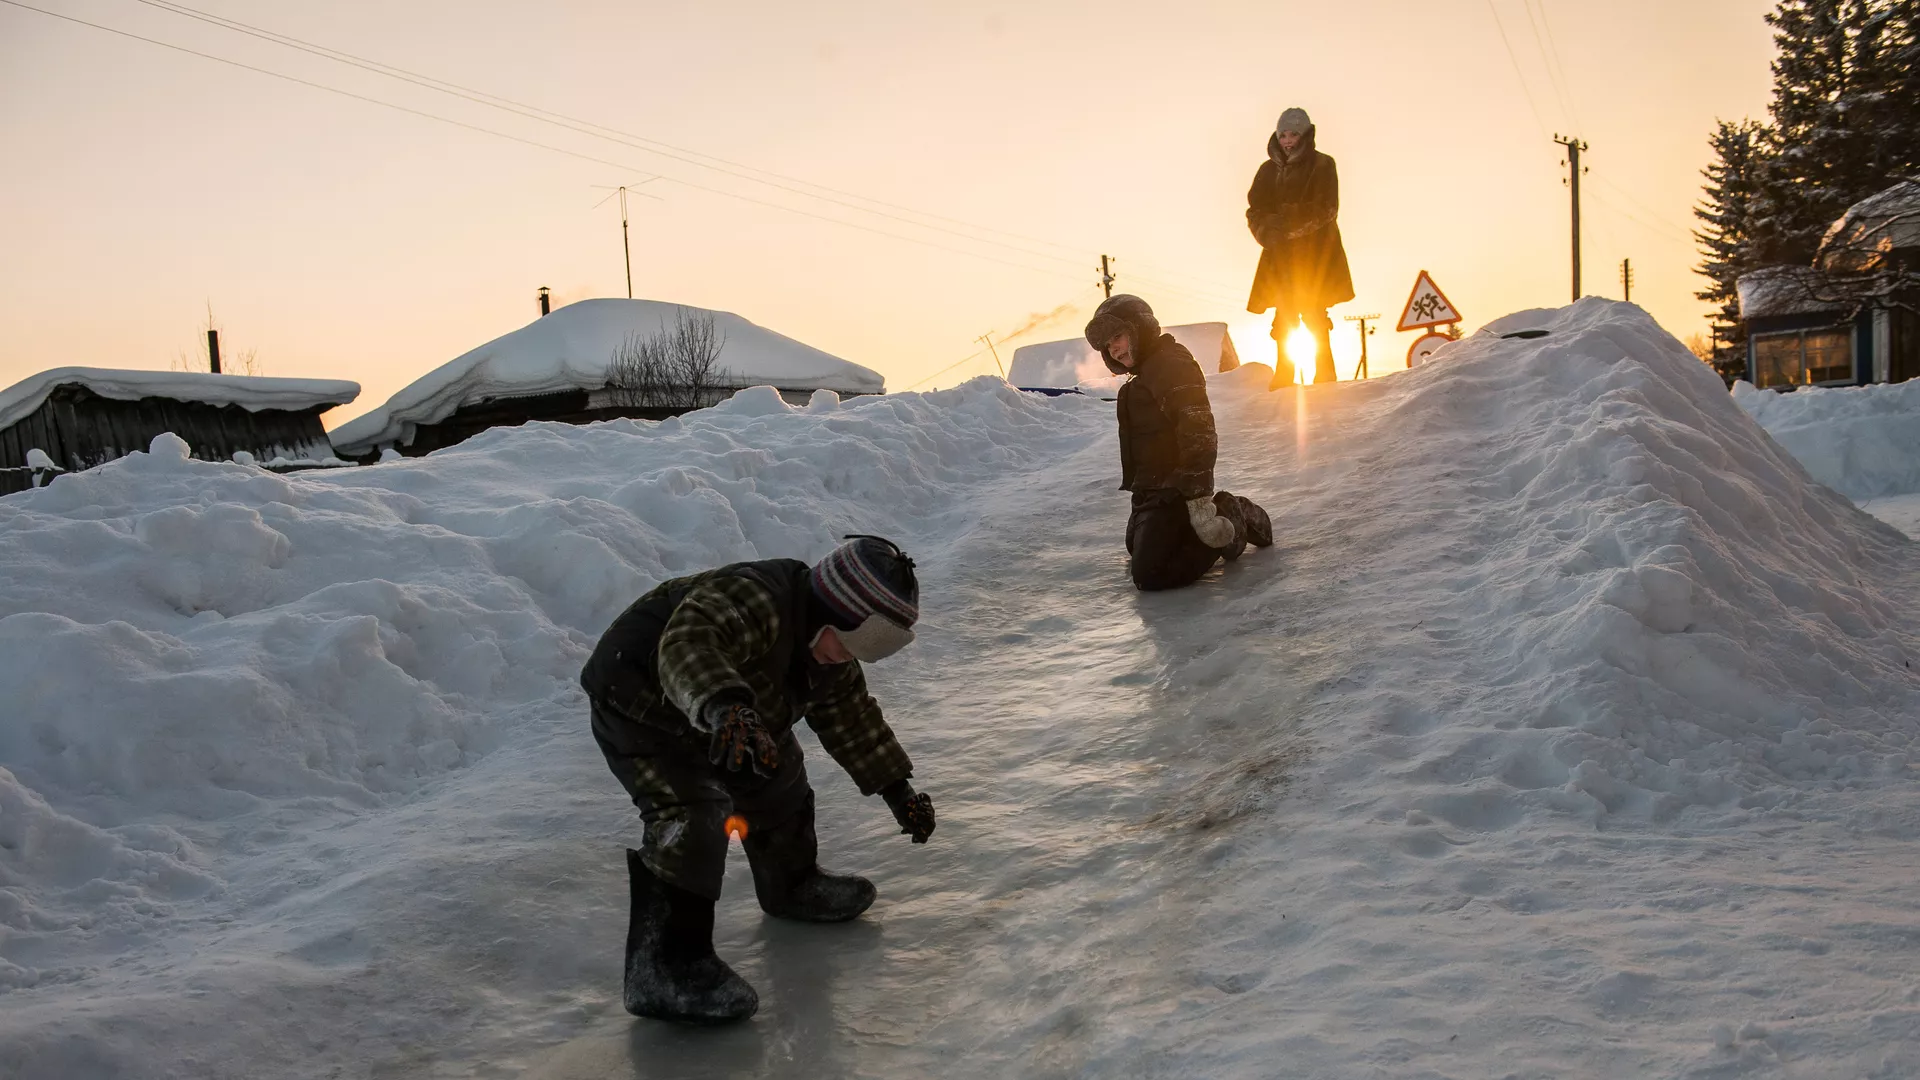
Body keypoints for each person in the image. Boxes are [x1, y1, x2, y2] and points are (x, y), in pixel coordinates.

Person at [580, 535, 937, 1024]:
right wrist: (725, 707)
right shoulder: (755, 598)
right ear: (833, 609)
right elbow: (689, 641)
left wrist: (899, 790)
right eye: (855, 641)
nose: (854, 656)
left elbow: (854, 720)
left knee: (780, 780)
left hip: (738, 712)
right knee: (692, 814)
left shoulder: (830, 656)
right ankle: (664, 967)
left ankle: (791, 884)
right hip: (643, 703)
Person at [1085, 294, 1275, 591]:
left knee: (1151, 573)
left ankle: (1230, 515)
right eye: (1108, 344)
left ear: (1139, 328)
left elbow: (1198, 431)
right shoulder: (1146, 372)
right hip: (1153, 491)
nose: (1114, 348)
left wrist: (1199, 498)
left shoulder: (1170, 364)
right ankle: (1186, 526)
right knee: (1138, 548)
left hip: (1177, 488)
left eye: (1118, 336)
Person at [1246, 106, 1354, 389]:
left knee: (1316, 314)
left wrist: (1285, 223)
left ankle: (1325, 377)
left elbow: (1326, 208)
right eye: (1283, 134)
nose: (1288, 140)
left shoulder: (1323, 165)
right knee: (1284, 317)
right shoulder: (1266, 171)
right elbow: (1255, 210)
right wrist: (1267, 232)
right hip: (1278, 258)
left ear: (1305, 134)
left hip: (1316, 257)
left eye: (1294, 133)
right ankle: (1284, 377)